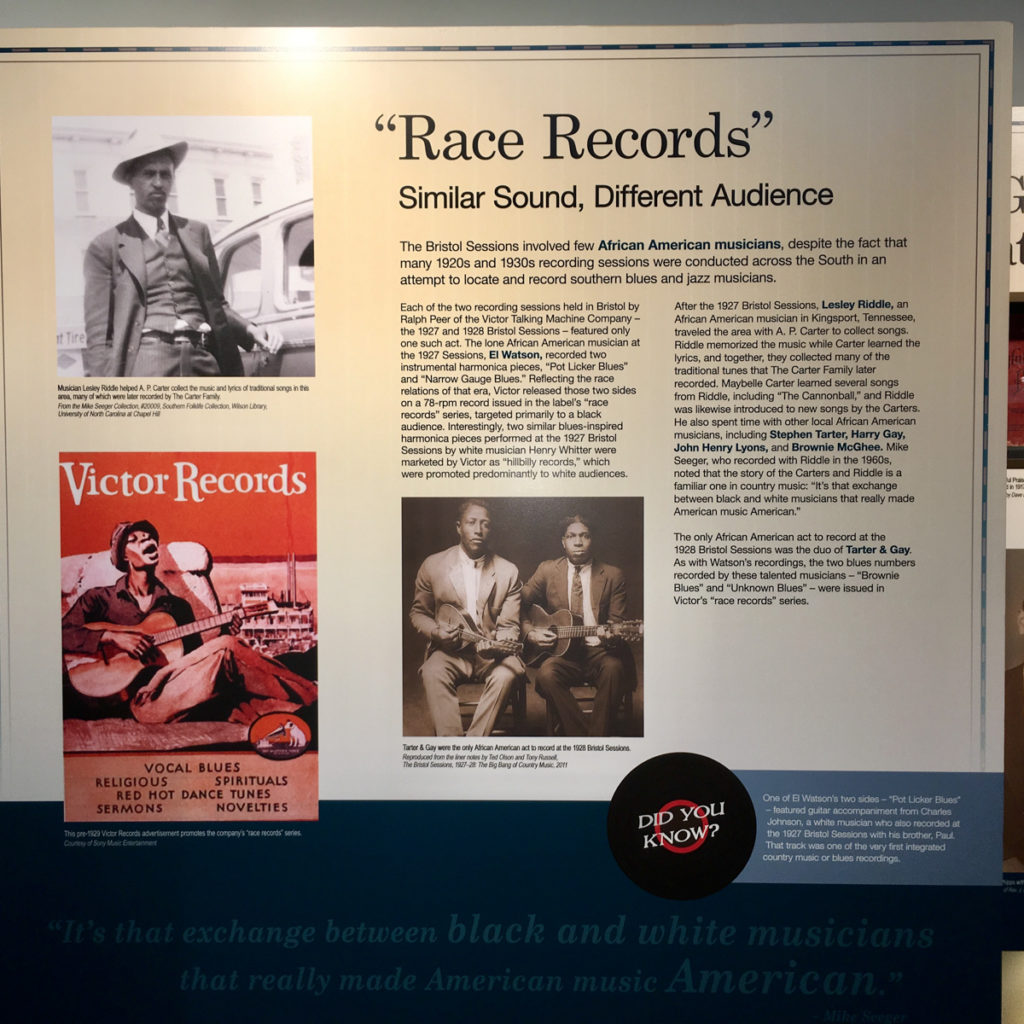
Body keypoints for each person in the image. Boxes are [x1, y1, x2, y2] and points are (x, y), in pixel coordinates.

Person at [61, 520, 316, 724]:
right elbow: (60, 634)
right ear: (123, 555)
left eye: (150, 538)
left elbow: (196, 660)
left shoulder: (175, 607)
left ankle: (307, 703)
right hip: (144, 703)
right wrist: (111, 636)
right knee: (230, 650)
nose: (147, 541)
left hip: (175, 689)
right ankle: (312, 695)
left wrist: (225, 628)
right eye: (135, 540)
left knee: (228, 644)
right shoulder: (99, 599)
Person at [82, 134, 281, 376]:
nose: (158, 182)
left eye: (165, 174)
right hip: (147, 361)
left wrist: (250, 329)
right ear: (131, 182)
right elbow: (98, 334)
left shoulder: (197, 233)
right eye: (149, 173)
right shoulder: (106, 246)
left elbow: (217, 304)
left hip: (204, 356)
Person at [409, 500, 526, 736]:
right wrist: (436, 632)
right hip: (449, 652)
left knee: (508, 674)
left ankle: (471, 746)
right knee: (432, 671)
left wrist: (497, 645)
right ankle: (452, 743)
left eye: (485, 524)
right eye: (471, 522)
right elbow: (418, 613)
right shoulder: (433, 565)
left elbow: (510, 625)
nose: (478, 529)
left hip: (492, 656)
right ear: (458, 527)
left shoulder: (508, 571)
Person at [521, 514, 634, 736]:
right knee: (546, 675)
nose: (578, 542)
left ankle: (592, 739)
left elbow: (617, 624)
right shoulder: (547, 570)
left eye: (585, 536)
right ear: (563, 542)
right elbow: (518, 601)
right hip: (563, 655)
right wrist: (530, 631)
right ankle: (587, 737)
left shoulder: (613, 575)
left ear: (593, 540)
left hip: (600, 652)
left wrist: (612, 636)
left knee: (614, 669)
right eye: (571, 536)